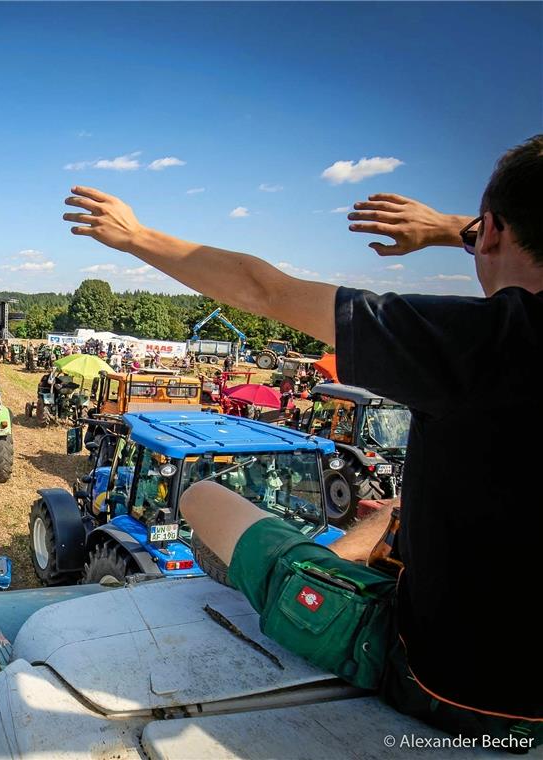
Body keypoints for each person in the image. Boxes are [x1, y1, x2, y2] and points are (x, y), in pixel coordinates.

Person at [63, 135, 543, 744]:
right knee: (395, 509)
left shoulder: (479, 341)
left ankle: (341, 554)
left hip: (452, 691)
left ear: (495, 230)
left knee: (201, 497)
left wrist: (135, 235)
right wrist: (458, 228)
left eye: (483, 231)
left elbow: (264, 290)